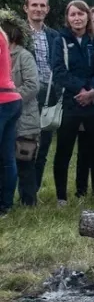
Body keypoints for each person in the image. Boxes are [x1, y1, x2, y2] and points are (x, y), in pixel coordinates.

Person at [52, 0, 94, 202]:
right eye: (73, 14)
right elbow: (58, 71)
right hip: (71, 102)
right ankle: (61, 198)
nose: (77, 18)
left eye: (81, 14)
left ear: (88, 16)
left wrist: (92, 90)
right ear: (67, 18)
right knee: (64, 151)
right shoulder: (61, 40)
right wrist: (81, 90)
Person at [0, 12, 40, 210]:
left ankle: (26, 201)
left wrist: (13, 96)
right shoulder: (3, 48)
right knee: (7, 158)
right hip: (10, 109)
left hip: (18, 114)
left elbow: (33, 85)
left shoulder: (24, 56)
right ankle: (7, 202)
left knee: (22, 161)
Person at [24, 0, 59, 188]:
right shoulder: (17, 34)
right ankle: (24, 190)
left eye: (42, 6)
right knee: (24, 144)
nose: (38, 9)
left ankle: (34, 191)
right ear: (26, 8)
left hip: (49, 94)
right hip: (26, 95)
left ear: (47, 9)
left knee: (43, 145)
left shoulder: (54, 35)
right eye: (34, 5)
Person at [0, 19, 26, 217]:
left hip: (1, 100)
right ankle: (6, 206)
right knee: (7, 157)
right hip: (11, 98)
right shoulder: (2, 33)